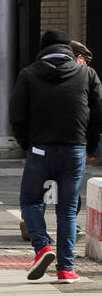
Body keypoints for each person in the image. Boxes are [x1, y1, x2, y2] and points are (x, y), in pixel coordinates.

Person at [11, 29, 102, 283]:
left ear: (43, 49)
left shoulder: (29, 74)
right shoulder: (87, 74)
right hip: (74, 149)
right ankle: (66, 269)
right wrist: (89, 145)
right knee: (67, 209)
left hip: (40, 149)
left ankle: (42, 246)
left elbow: (17, 116)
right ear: (68, 49)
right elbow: (98, 115)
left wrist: (28, 145)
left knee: (30, 201)